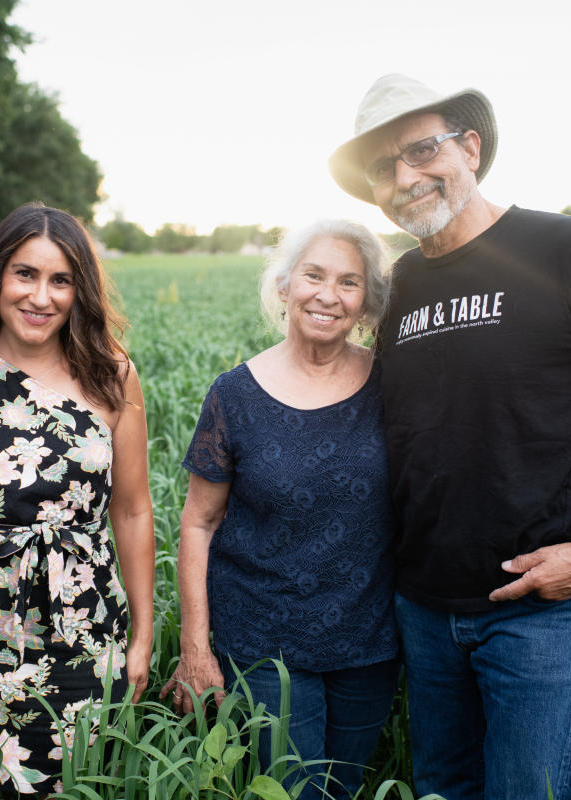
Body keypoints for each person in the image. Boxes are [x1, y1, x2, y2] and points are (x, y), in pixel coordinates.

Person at [327, 74, 571, 800]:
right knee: (441, 787)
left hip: (541, 611)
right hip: (424, 608)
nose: (405, 178)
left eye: (421, 149)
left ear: (470, 146)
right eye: (383, 166)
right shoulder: (398, 283)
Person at [0, 202, 156, 795]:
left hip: (77, 625)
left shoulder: (109, 374)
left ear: (80, 290)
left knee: (65, 783)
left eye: (61, 280)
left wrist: (142, 634)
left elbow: (133, 508)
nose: (40, 296)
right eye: (25, 274)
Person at [162, 220, 399, 798]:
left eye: (349, 282)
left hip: (368, 639)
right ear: (286, 284)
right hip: (263, 641)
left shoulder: (394, 384)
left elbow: (464, 449)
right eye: (314, 275)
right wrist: (196, 647)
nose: (328, 294)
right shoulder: (234, 395)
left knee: (343, 788)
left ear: (366, 300)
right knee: (292, 791)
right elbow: (198, 523)